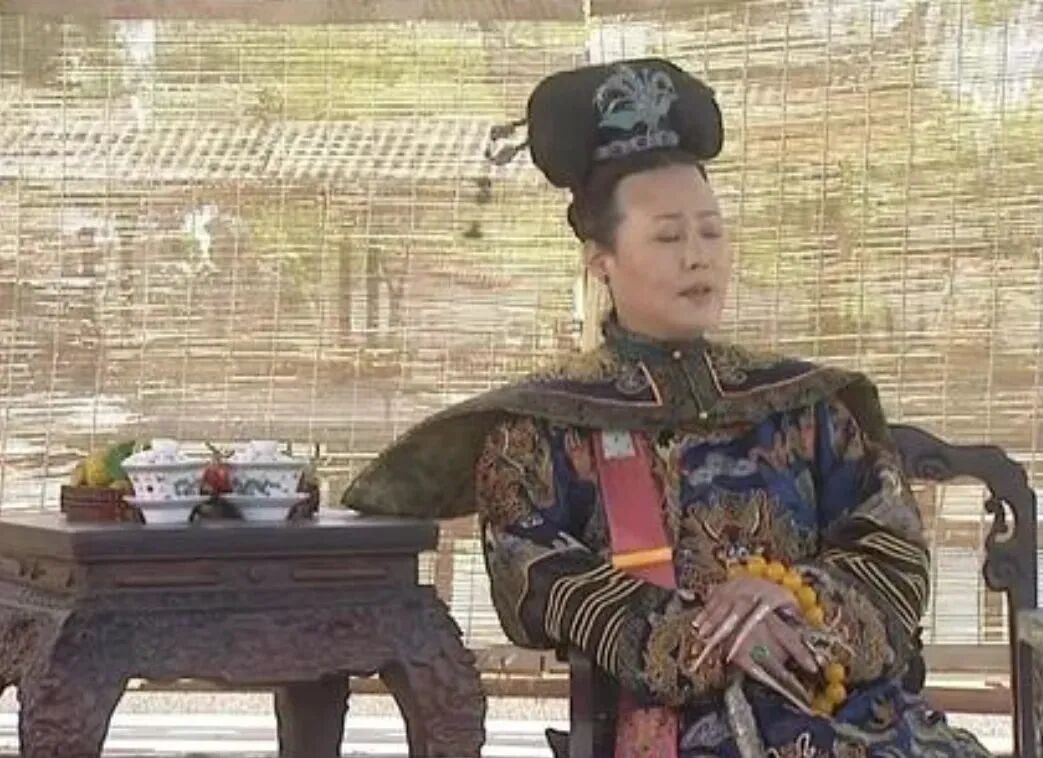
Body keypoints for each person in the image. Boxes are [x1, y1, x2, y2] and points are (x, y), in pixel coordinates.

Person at [343, 58, 990, 757]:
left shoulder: (804, 406)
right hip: (676, 726)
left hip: (853, 708)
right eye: (667, 236)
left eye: (710, 231)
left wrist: (791, 597)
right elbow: (534, 580)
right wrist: (713, 635)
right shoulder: (542, 427)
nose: (697, 257)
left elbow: (891, 551)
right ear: (601, 259)